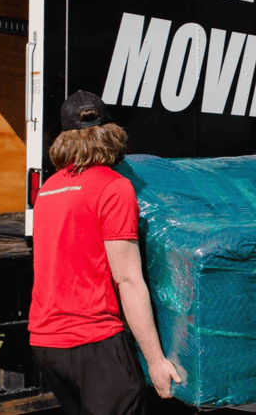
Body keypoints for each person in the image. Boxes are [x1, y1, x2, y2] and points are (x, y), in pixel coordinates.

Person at [28, 90, 181, 415]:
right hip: (94, 344)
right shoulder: (114, 188)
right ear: (110, 134)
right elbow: (127, 279)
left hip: (46, 344)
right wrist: (155, 361)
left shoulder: (49, 189)